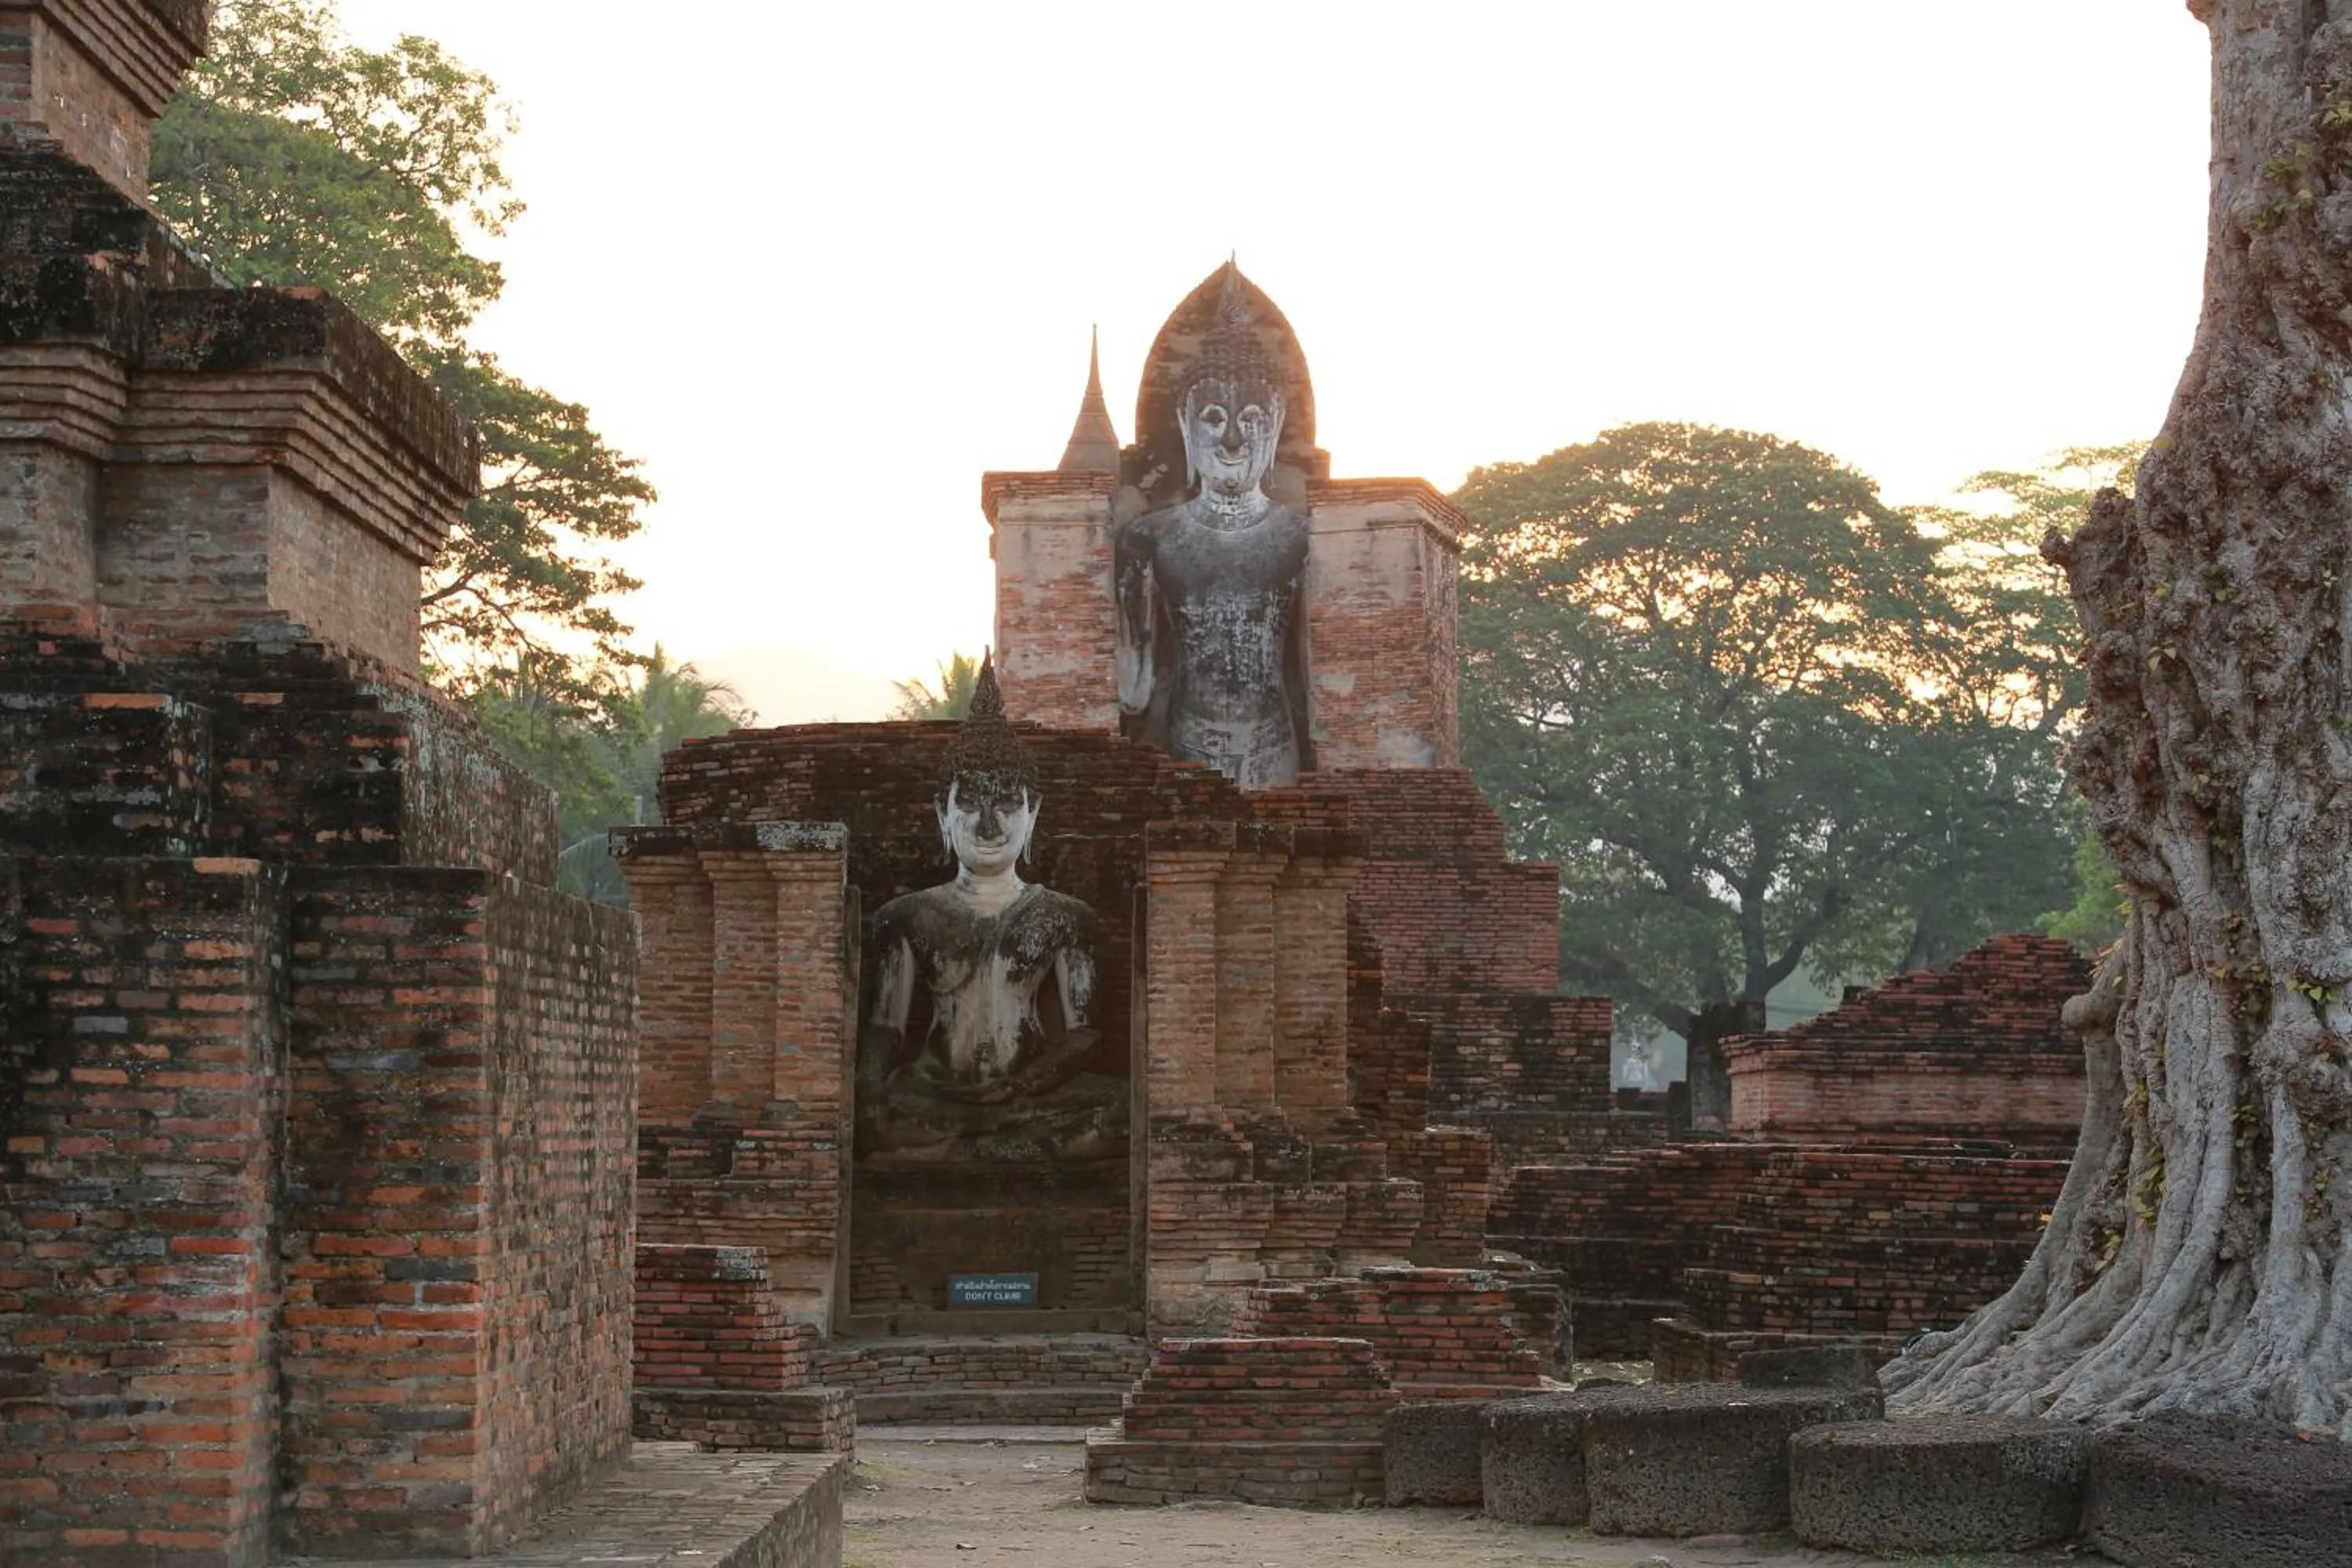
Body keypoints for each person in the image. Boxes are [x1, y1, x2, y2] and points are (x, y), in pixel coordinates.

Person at [858, 656, 1116, 1161]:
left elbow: (1083, 1033)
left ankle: (961, 1149)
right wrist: (865, 1087)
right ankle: (999, 1148)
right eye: (971, 804)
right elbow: (886, 1026)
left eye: (1008, 805)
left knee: (1121, 1113)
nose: (990, 825)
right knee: (873, 1115)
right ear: (943, 813)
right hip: (934, 1091)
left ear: (1033, 813)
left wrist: (1023, 1086)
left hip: (1030, 1097)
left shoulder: (1067, 917)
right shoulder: (905, 916)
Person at [1114, 281, 1311, 789]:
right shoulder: (1149, 539)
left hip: (1275, 745)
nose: (1231, 440)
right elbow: (1132, 690)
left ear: (1276, 426)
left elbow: (1319, 681)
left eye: (1251, 420)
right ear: (1185, 424)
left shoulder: (1302, 536)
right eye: (1214, 418)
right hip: (1188, 742)